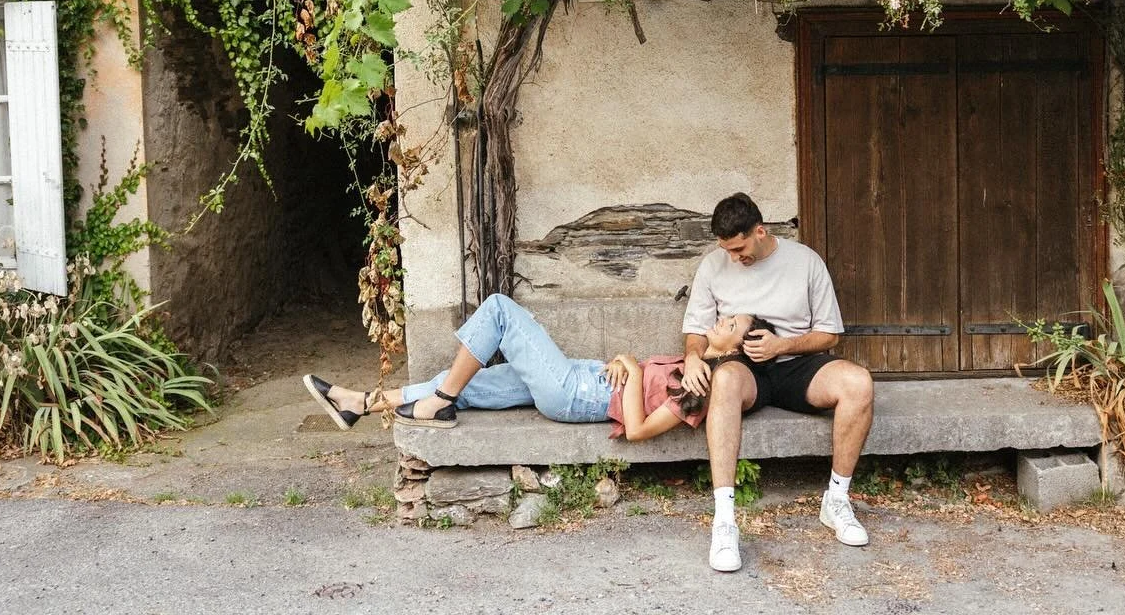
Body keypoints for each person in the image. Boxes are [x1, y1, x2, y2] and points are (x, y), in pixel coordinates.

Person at [680, 192, 874, 572]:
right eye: (728, 251)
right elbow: (696, 331)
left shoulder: (804, 261)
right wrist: (691, 357)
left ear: (760, 230)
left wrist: (782, 345)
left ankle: (836, 501)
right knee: (725, 382)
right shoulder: (713, 265)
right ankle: (724, 522)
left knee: (859, 383)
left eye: (740, 248)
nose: (735, 258)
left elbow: (830, 334)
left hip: (798, 364)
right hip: (743, 366)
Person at [302, 292, 765, 442]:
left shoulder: (702, 391)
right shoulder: (694, 363)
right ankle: (360, 404)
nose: (722, 319)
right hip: (580, 377)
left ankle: (440, 402)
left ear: (736, 350)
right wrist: (622, 365)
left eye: (732, 323)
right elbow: (633, 383)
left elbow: (640, 430)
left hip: (574, 395)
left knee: (501, 309)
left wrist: (630, 365)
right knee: (474, 383)